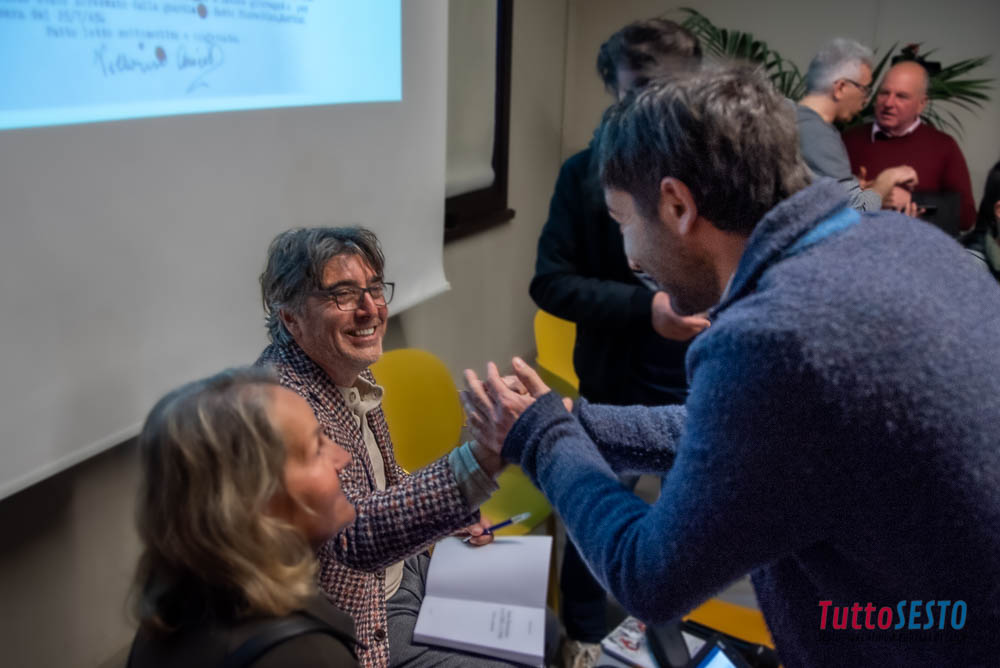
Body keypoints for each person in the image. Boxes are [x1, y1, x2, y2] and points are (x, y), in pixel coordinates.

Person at [463, 63, 1000, 666]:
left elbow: (650, 577)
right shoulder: (901, 245)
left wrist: (542, 437)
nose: (630, 256)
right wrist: (578, 423)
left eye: (623, 222)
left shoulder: (773, 334)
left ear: (677, 204)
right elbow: (747, 433)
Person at [255, 227, 545, 668]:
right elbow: (353, 535)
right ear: (291, 319)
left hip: (405, 568)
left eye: (374, 288)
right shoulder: (282, 406)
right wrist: (480, 458)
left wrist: (451, 518)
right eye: (343, 295)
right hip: (361, 613)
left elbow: (379, 483)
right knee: (514, 659)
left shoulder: (343, 365)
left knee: (541, 628)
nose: (370, 308)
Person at [531, 19, 708, 667]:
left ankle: (671, 633)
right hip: (617, 379)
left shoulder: (717, 171)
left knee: (691, 525)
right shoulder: (584, 174)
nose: (653, 107)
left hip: (702, 381)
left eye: (669, 90)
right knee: (594, 513)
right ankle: (581, 636)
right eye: (638, 90)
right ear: (612, 88)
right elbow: (551, 283)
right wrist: (645, 308)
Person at [127, 367, 360, 667]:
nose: (343, 457)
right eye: (317, 449)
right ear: (254, 500)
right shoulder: (306, 655)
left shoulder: (164, 619)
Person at [842, 60, 977, 231]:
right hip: (856, 240)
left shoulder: (944, 146)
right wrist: (861, 193)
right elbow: (822, 202)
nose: (888, 103)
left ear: (921, 104)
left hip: (916, 244)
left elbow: (966, 216)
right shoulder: (849, 139)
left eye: (901, 96)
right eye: (884, 93)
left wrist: (914, 201)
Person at [796, 38, 918, 212]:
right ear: (841, 88)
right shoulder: (818, 135)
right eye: (864, 90)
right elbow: (856, 210)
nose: (866, 100)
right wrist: (887, 179)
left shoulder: (786, 117)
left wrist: (852, 185)